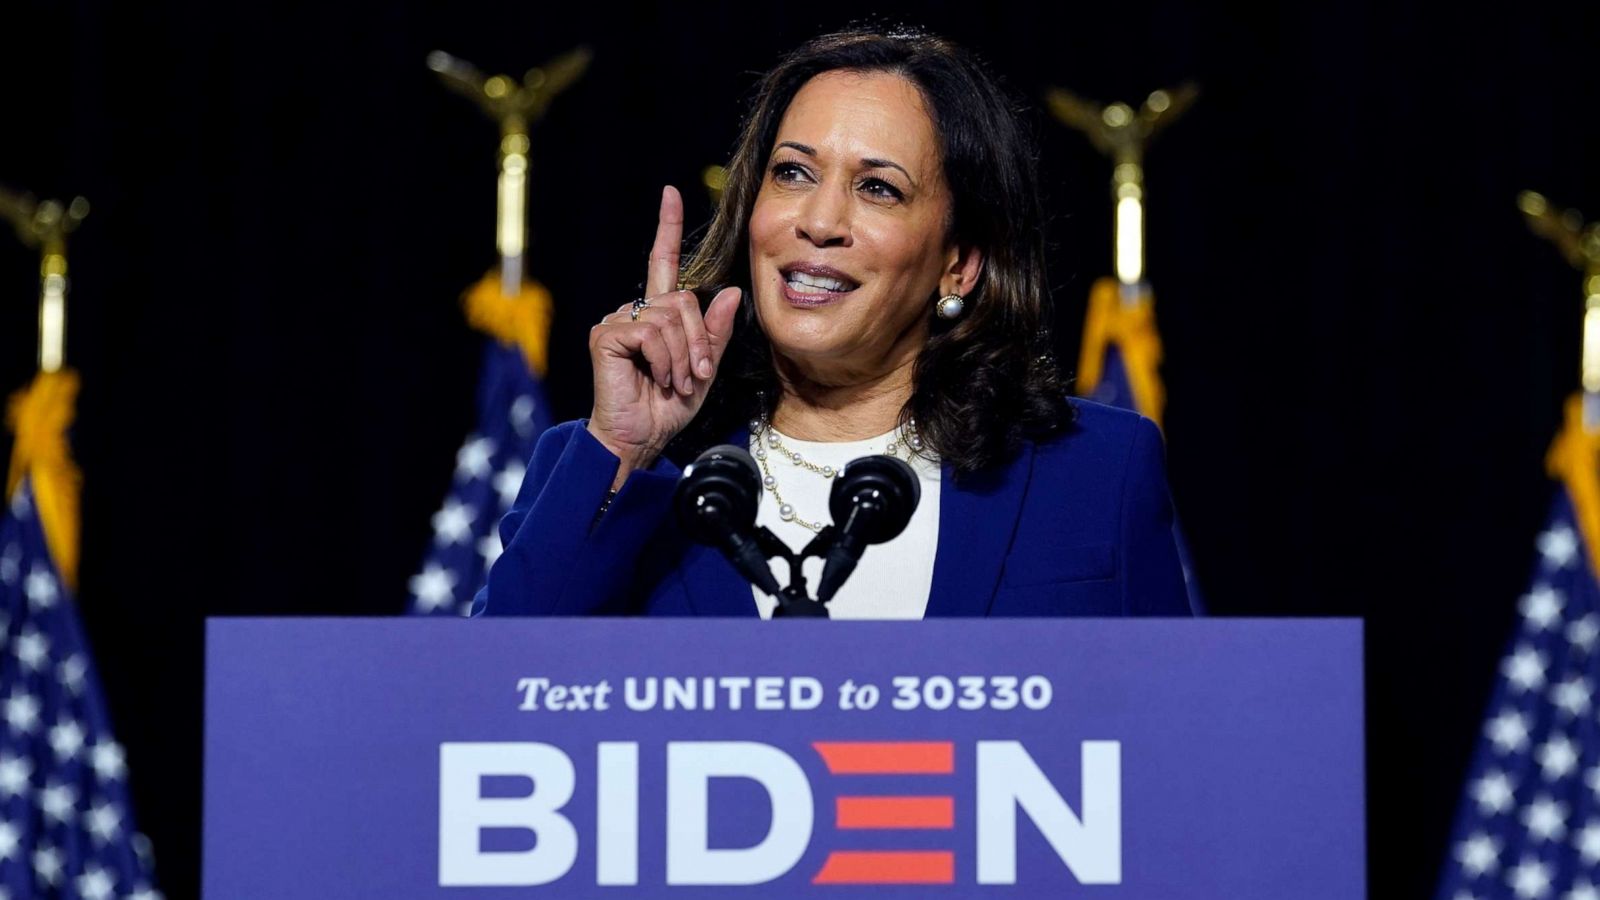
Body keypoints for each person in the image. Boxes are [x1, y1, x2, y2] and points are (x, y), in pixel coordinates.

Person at [476, 26, 1190, 619]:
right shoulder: (614, 469)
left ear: (960, 265)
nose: (818, 222)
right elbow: (484, 707)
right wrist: (626, 450)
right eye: (792, 173)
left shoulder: (1097, 472)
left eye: (878, 188)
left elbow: (1174, 743)